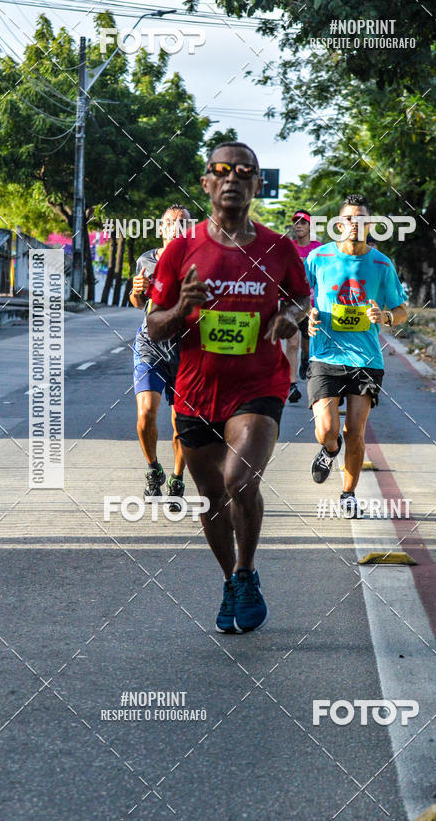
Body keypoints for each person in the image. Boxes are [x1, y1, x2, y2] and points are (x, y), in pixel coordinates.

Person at [146, 142, 310, 631]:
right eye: (222, 170)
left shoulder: (278, 249)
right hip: (196, 389)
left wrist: (288, 317)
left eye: (245, 171)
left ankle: (247, 568)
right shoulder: (181, 249)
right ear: (207, 184)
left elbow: (301, 298)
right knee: (209, 494)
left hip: (259, 384)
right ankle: (230, 580)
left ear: (259, 184)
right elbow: (154, 325)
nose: (233, 177)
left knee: (240, 480)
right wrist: (181, 309)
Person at [305, 194, 408, 517]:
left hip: (365, 360)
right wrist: (306, 315)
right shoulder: (318, 258)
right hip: (325, 356)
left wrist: (387, 318)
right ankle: (329, 449)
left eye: (361, 219)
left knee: (356, 432)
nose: (354, 224)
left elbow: (401, 309)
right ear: (339, 223)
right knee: (328, 430)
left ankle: (348, 493)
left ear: (371, 225)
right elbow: (295, 296)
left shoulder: (381, 264)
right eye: (349, 218)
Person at [130, 205, 190, 505]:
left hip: (187, 350)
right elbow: (137, 301)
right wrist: (137, 290)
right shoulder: (147, 259)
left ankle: (178, 477)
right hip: (150, 346)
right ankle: (154, 469)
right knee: (145, 415)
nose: (176, 227)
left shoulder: (200, 260)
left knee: (183, 422)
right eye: (170, 223)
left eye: (183, 223)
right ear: (161, 229)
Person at [284, 210, 321, 403]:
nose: (298, 225)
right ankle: (291, 385)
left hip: (312, 304)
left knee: (306, 344)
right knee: (292, 343)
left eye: (303, 223)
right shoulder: (287, 248)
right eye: (295, 222)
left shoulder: (319, 249)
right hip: (290, 303)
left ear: (310, 226)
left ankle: (306, 359)